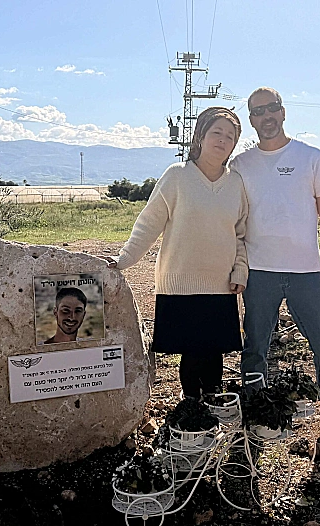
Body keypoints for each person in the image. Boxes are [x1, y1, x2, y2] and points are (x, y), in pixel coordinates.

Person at [229, 87, 320, 441]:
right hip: (259, 272)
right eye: (258, 111)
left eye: (272, 108)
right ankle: (255, 415)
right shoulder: (240, 165)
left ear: (283, 113)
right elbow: (230, 217)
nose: (266, 116)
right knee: (255, 345)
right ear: (251, 120)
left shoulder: (310, 157)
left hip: (305, 273)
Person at [103, 107, 248, 399]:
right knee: (192, 352)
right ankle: (190, 408)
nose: (222, 141)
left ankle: (210, 408)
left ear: (234, 144)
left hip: (221, 284)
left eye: (230, 137)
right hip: (180, 283)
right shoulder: (177, 177)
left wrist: (240, 271)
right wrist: (123, 260)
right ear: (200, 137)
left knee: (214, 351)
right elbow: (148, 223)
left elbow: (242, 234)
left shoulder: (236, 183)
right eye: (216, 133)